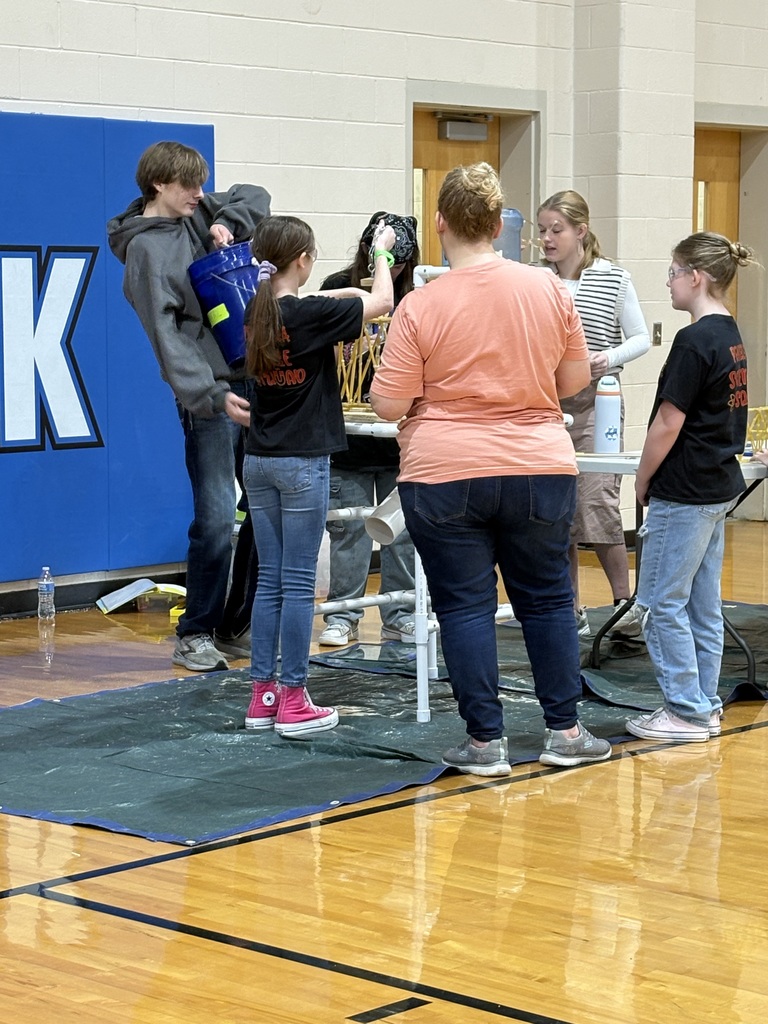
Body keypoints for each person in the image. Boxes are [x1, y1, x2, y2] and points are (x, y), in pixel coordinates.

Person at [369, 162, 612, 775]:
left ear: (443, 223)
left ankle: (485, 743)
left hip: (443, 470)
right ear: (501, 227)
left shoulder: (420, 305)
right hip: (538, 464)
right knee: (550, 601)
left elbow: (389, 403)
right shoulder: (550, 290)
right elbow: (575, 380)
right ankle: (566, 731)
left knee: (464, 608)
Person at [108, 141, 271, 672]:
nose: (199, 195)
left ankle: (235, 623)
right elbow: (167, 338)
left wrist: (225, 220)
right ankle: (196, 630)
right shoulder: (145, 251)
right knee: (218, 516)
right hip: (211, 397)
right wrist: (209, 395)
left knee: (265, 509)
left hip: (252, 380)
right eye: (189, 187)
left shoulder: (199, 210)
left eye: (202, 186)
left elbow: (257, 195)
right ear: (159, 185)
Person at [242, 215, 396, 737]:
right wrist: (382, 254)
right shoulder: (309, 315)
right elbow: (382, 303)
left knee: (271, 580)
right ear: (304, 261)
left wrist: (348, 288)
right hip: (301, 463)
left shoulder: (256, 311)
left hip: (258, 460)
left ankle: (262, 695)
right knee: (299, 582)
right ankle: (293, 698)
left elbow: (343, 300)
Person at [626, 232, 754, 744]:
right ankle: (704, 702)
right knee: (700, 602)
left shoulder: (694, 339)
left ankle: (685, 709)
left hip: (686, 491)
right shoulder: (730, 334)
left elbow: (667, 421)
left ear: (695, 277)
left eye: (674, 271)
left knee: (660, 603)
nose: (668, 281)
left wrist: (641, 476)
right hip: (716, 487)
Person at [537, 191, 650, 638]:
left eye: (556, 230)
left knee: (597, 499)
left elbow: (641, 337)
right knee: (557, 507)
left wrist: (608, 357)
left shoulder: (613, 278)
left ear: (580, 231)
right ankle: (572, 608)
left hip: (598, 402)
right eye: (542, 231)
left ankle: (626, 606)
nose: (547, 239)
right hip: (547, 404)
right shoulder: (535, 281)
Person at [317, 212, 419, 647]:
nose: (392, 272)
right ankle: (343, 616)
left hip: (400, 442)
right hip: (348, 443)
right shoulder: (337, 288)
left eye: (400, 266)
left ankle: (401, 613)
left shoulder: (416, 296)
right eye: (386, 262)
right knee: (349, 533)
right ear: (367, 251)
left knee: (402, 534)